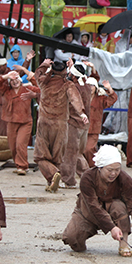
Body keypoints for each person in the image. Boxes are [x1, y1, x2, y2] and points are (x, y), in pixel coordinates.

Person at [62, 145, 132, 257]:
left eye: (117, 170)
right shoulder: (87, 177)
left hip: (113, 208)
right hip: (88, 212)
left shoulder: (123, 178)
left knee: (118, 206)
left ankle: (124, 243)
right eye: (110, 170)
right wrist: (111, 227)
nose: (113, 174)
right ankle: (80, 242)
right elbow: (93, 206)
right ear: (100, 167)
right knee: (72, 239)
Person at [33, 59, 88, 192]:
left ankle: (53, 175)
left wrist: (45, 64)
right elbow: (75, 98)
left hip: (44, 123)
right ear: (65, 72)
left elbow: (37, 74)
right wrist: (81, 113)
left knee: (40, 156)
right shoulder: (67, 85)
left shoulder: (44, 82)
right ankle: (53, 178)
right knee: (57, 155)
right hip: (61, 124)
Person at [0, 68, 40, 175]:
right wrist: (7, 76)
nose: (15, 82)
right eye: (12, 80)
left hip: (25, 122)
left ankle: (22, 166)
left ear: (20, 80)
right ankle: (18, 163)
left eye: (17, 80)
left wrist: (25, 70)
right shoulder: (5, 91)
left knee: (20, 144)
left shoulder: (27, 88)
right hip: (11, 121)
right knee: (12, 146)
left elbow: (39, 86)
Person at [60, 62, 99, 188]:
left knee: (70, 154)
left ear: (74, 76)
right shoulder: (87, 86)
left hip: (74, 124)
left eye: (70, 73)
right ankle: (89, 179)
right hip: (84, 126)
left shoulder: (73, 87)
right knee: (77, 154)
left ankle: (69, 181)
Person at [84, 78, 117, 167]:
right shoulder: (82, 98)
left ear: (96, 87)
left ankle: (93, 166)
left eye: (92, 85)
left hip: (94, 129)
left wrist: (109, 89)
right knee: (81, 150)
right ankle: (84, 168)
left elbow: (113, 99)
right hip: (82, 129)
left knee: (89, 149)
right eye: (88, 85)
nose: (90, 88)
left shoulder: (100, 99)